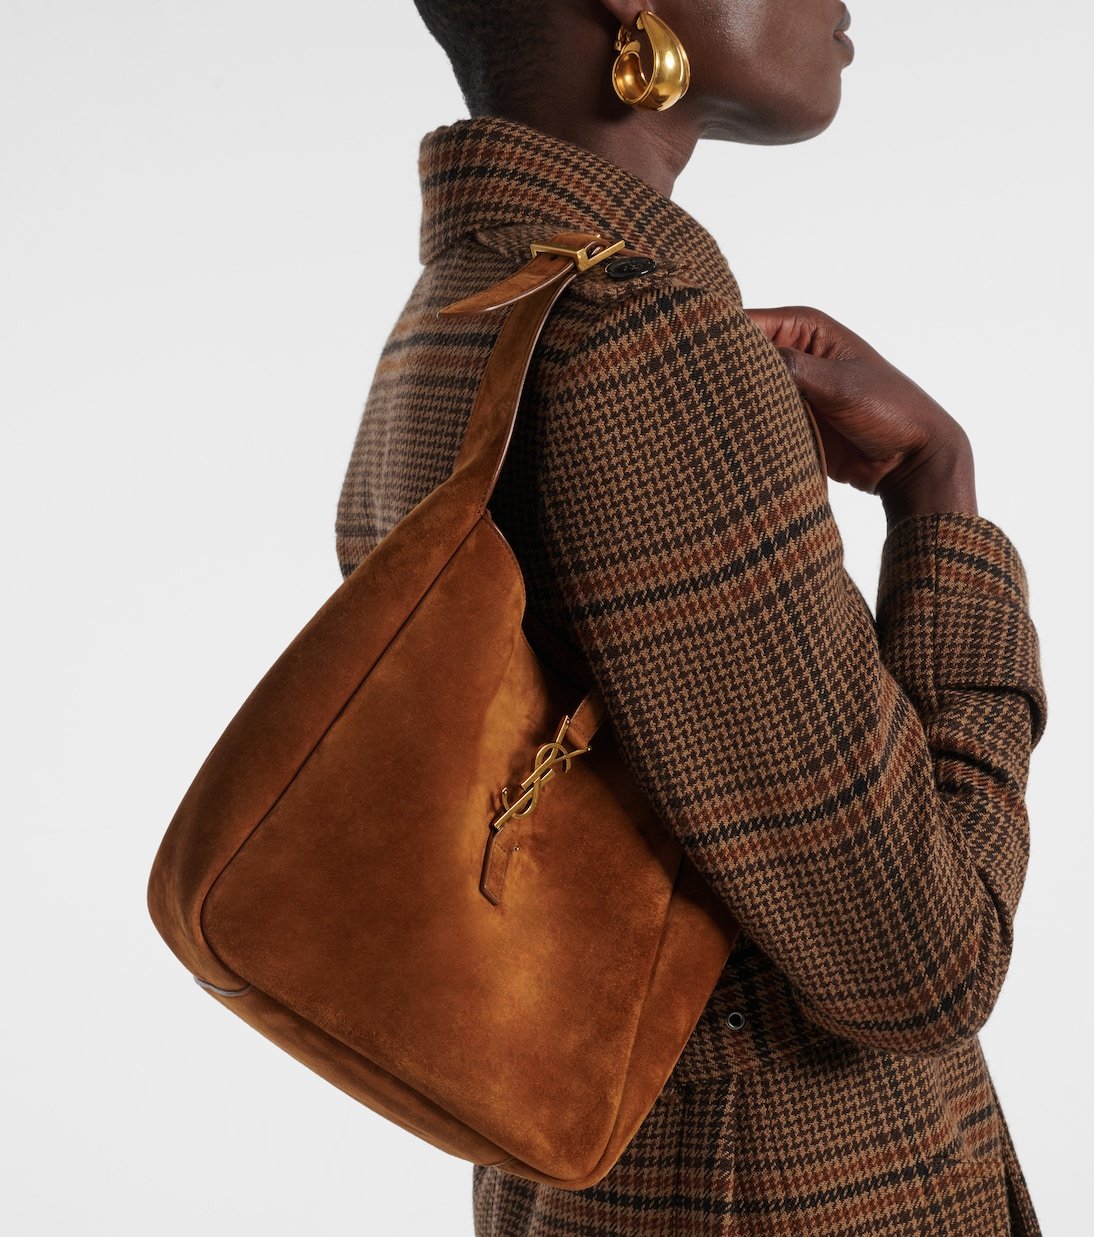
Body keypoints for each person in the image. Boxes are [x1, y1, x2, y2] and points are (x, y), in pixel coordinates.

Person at [336, 3, 1049, 1233]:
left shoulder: (461, 308)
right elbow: (923, 967)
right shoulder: (640, 339)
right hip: (773, 1191)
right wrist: (940, 491)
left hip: (591, 1175)